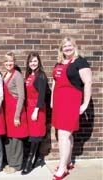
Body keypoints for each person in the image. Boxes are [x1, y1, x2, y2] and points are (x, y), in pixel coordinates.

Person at [51, 37, 92, 180]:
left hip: (71, 102)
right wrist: (52, 101)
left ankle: (62, 168)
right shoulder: (59, 63)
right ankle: (67, 162)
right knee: (64, 134)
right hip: (58, 103)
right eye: (64, 46)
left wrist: (85, 104)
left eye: (70, 46)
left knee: (64, 135)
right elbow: (55, 83)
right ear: (61, 49)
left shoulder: (81, 62)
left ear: (74, 46)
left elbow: (88, 83)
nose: (67, 48)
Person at [2, 52, 28, 174]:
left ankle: (17, 165)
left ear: (15, 61)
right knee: (9, 138)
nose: (9, 63)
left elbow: (22, 97)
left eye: (11, 61)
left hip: (16, 110)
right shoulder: (4, 74)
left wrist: (17, 116)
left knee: (16, 139)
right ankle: (10, 162)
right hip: (7, 111)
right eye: (6, 61)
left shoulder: (17, 75)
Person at [22, 52, 48, 175]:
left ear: (39, 62)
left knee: (35, 136)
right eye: (31, 61)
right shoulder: (29, 75)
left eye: (35, 61)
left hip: (37, 110)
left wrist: (36, 110)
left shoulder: (41, 76)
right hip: (28, 108)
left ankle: (29, 163)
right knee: (31, 136)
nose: (33, 63)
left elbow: (42, 95)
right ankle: (37, 158)